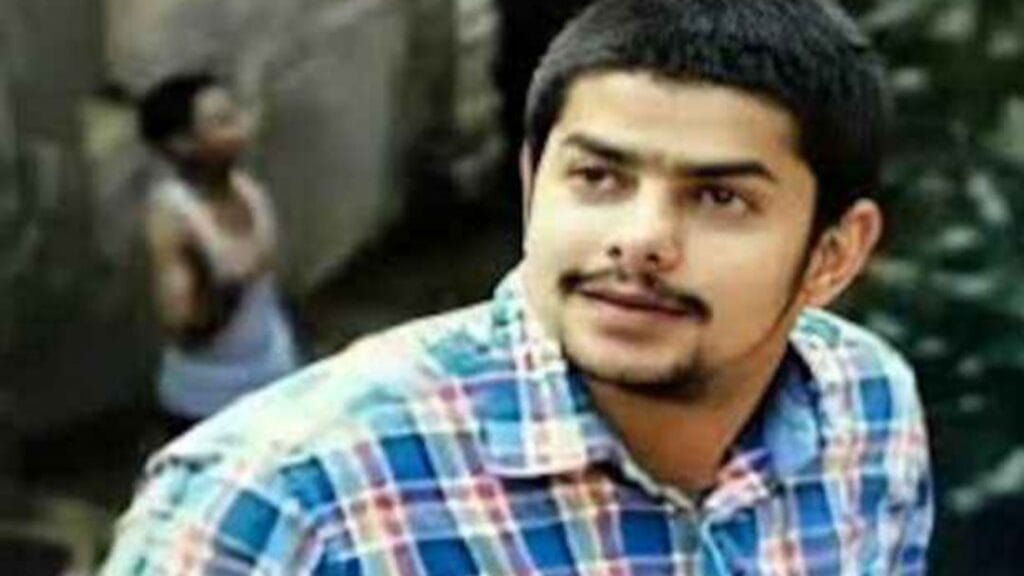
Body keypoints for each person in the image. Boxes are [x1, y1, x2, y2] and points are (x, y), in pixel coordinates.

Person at [104, 1, 933, 573]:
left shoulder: (866, 407)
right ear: (536, 185)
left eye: (720, 197)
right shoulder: (275, 506)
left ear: (834, 255)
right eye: (599, 177)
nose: (640, 240)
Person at [137, 73, 300, 434]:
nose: (241, 129)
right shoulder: (173, 216)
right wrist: (235, 282)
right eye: (222, 122)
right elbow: (185, 328)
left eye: (235, 115)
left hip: (275, 381)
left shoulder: (248, 189)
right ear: (182, 144)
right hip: (210, 405)